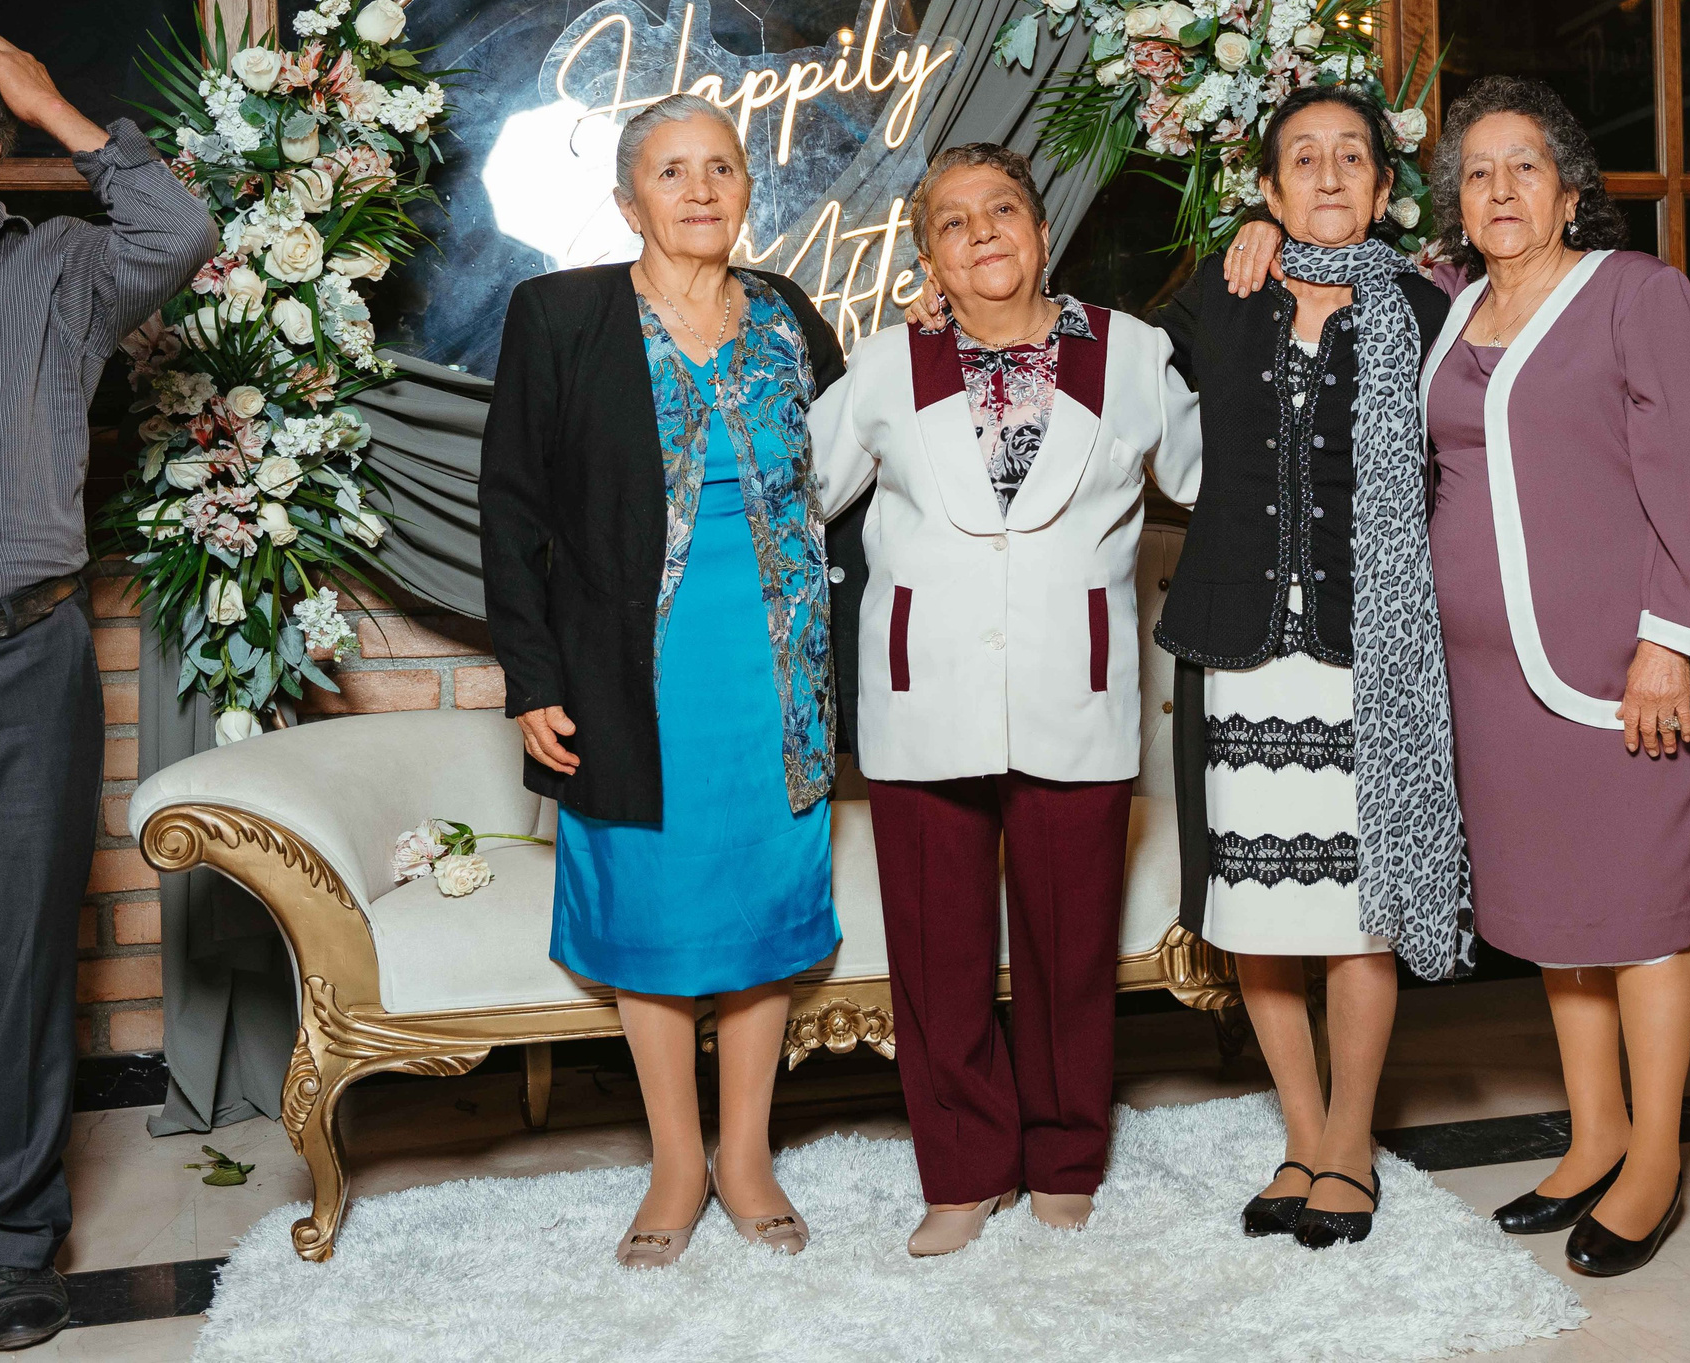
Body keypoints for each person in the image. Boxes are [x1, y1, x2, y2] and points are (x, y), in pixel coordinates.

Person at [811, 142, 1201, 1257]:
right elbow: (793, 499)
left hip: (1072, 680)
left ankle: (1066, 1154)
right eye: (951, 221)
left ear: (1040, 231)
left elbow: (1213, 478)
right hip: (920, 686)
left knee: (1068, 941)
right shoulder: (887, 367)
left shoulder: (1129, 353)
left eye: (1003, 211)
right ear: (928, 254)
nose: (981, 232)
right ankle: (962, 1168)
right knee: (936, 951)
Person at [482, 93, 851, 1269]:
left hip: (777, 667)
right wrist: (532, 673)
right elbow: (511, 508)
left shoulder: (792, 316)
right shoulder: (560, 314)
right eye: (673, 170)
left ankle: (747, 1155)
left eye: (723, 168)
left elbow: (858, 463)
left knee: (757, 914)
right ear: (626, 197)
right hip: (624, 671)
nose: (700, 190)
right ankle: (677, 1163)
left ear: (749, 189)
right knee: (653, 911)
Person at [1420, 75, 1690, 1277]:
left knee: (1643, 915)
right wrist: (1254, 232)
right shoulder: (1449, 304)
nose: (1500, 189)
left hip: (1617, 670)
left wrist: (1670, 639)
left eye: (1525, 168)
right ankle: (1593, 1127)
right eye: (1478, 171)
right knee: (1562, 916)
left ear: (1569, 191)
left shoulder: (1637, 296)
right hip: (1491, 681)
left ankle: (1653, 1156)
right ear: (1457, 198)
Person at [0, 36, 214, 1349]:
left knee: (17, 964)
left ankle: (9, 1236)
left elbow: (177, 224)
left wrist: (55, 101)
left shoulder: (54, 267)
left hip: (16, 659)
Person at [1155, 85, 1465, 1250]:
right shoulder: (1219, 293)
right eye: (1303, 160)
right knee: (1255, 916)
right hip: (1241, 647)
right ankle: (1298, 1134)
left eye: (1353, 159)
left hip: (1368, 649)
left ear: (1386, 190)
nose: (1329, 176)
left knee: (1357, 915)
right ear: (1270, 191)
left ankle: (1350, 1145)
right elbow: (1078, 354)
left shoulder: (1429, 313)